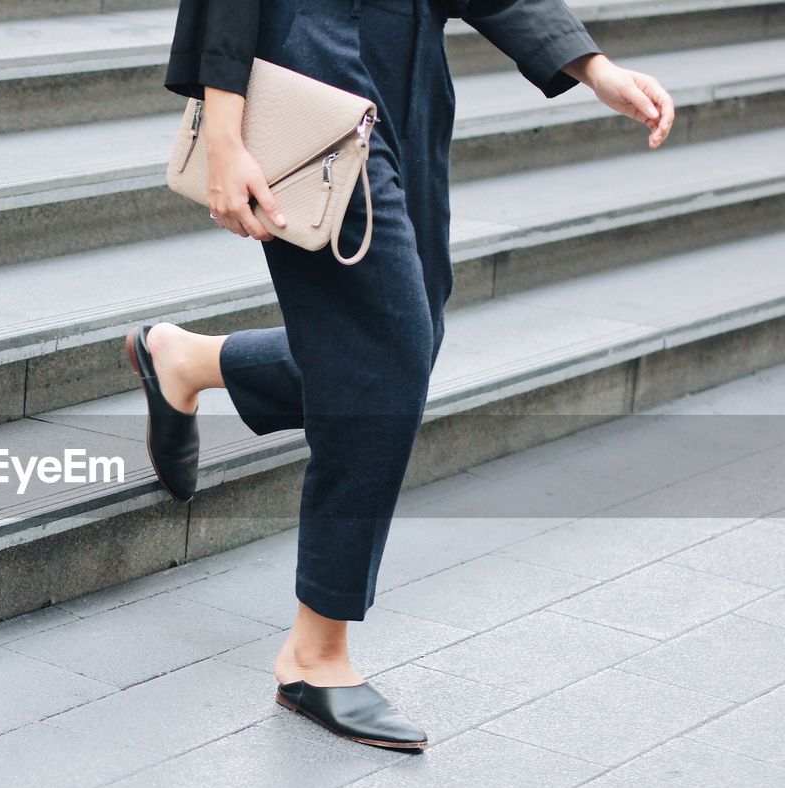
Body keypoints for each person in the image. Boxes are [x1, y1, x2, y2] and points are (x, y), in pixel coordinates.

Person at [126, 0, 673, 749]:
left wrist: (590, 65)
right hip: (305, 57)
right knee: (386, 357)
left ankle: (184, 360)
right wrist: (224, 128)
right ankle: (315, 654)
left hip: (406, 63)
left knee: (402, 341)